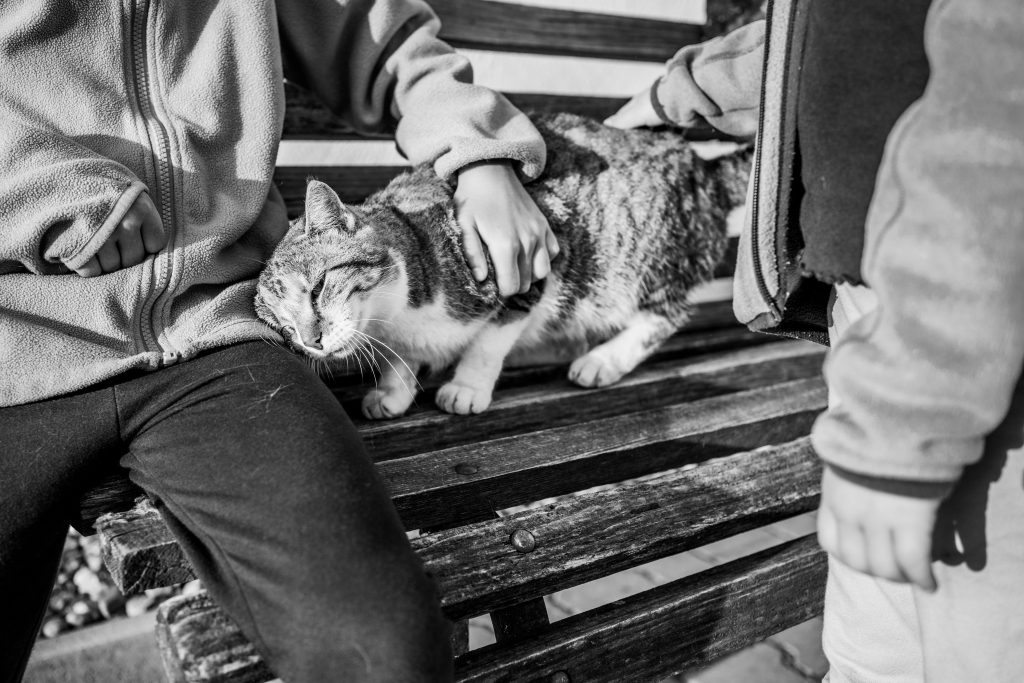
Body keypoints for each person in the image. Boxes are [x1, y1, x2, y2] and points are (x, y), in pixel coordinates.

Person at [0, 1, 557, 681]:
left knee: (385, 656)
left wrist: (480, 154)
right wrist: (33, 186)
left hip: (221, 333)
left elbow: (375, 37)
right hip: (16, 346)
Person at [608, 0, 1024, 680]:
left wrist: (902, 410)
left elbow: (1002, 112)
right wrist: (678, 92)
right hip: (896, 324)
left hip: (953, 327)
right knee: (874, 653)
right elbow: (828, 32)